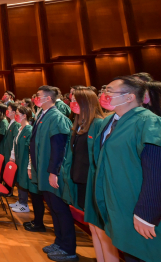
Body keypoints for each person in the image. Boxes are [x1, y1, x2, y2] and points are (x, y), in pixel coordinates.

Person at [94, 76, 161, 262]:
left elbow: (156, 171)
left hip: (140, 212)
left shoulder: (148, 122)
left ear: (130, 97)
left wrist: (146, 214)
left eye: (109, 91)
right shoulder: (119, 121)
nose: (105, 95)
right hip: (122, 208)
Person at [61, 88, 118, 262]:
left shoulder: (99, 123)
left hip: (93, 183)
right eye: (71, 101)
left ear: (87, 103)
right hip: (81, 180)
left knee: (102, 232)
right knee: (93, 228)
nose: (72, 105)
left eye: (77, 101)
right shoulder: (79, 124)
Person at [29, 85, 76, 261]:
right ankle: (59, 242)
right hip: (43, 171)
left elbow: (58, 148)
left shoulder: (56, 117)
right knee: (53, 209)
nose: (36, 98)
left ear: (48, 98)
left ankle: (68, 249)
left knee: (60, 209)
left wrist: (53, 172)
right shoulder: (43, 115)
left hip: (52, 173)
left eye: (39, 96)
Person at [9, 106, 35, 214]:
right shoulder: (20, 128)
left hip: (25, 160)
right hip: (19, 159)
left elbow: (30, 149)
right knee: (19, 180)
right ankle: (20, 201)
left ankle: (24, 204)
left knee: (24, 181)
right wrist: (12, 156)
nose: (16, 115)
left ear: (25, 116)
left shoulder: (29, 129)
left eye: (18, 113)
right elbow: (15, 144)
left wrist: (29, 165)